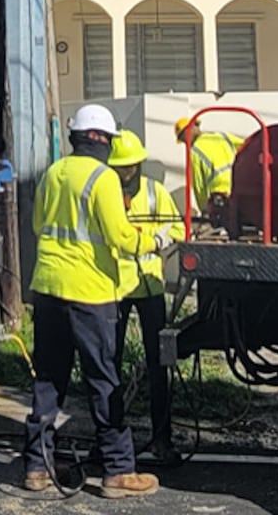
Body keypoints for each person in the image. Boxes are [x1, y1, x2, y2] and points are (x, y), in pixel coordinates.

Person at [26, 104, 160, 498]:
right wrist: (155, 241)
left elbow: (38, 226)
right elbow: (120, 237)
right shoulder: (103, 179)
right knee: (103, 380)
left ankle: (38, 466)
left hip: (48, 290)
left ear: (76, 138)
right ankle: (118, 470)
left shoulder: (53, 172)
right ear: (103, 141)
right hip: (90, 294)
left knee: (49, 379)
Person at [110, 129, 183, 462]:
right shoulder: (104, 193)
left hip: (150, 286)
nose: (126, 173)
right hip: (113, 288)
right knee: (109, 367)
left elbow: (178, 229)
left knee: (159, 366)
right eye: (120, 167)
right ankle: (110, 438)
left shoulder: (154, 193)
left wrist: (159, 239)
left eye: (130, 166)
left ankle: (161, 439)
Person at [175, 116, 241, 229]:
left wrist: (205, 211)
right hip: (241, 190)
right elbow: (246, 146)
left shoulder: (195, 151)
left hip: (221, 198)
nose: (186, 144)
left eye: (184, 140)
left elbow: (199, 187)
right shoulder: (222, 136)